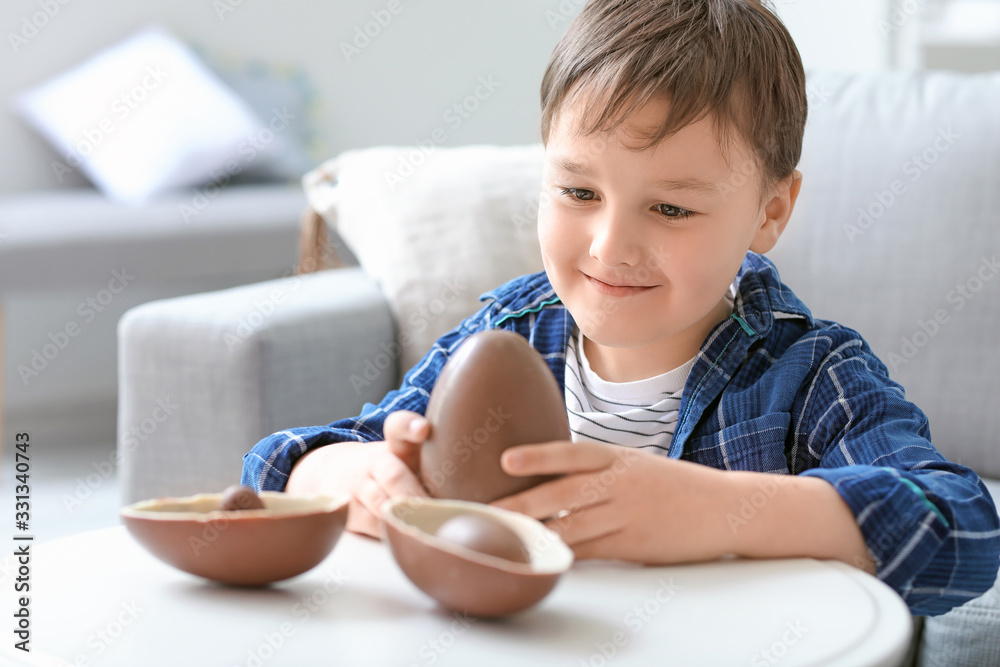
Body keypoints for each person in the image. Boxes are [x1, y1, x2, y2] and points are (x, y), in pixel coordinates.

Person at [242, 0, 999, 616]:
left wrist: (716, 510)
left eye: (670, 209)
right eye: (579, 192)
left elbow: (961, 531)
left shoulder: (809, 374)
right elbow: (281, 463)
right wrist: (359, 475)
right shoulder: (505, 336)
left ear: (770, 211)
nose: (609, 247)